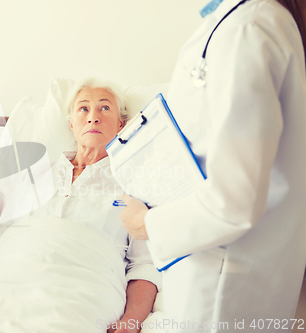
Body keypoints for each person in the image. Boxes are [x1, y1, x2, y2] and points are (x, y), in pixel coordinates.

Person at [120, 0, 306, 332]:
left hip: (223, 289)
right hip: (218, 272)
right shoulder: (238, 23)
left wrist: (147, 223)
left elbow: (233, 202)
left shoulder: (247, 28)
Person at [0, 78, 161, 333]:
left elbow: (143, 265)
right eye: (83, 108)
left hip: (81, 288)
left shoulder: (133, 184)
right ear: (71, 124)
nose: (93, 117)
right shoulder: (36, 174)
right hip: (3, 276)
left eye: (104, 108)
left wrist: (131, 322)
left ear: (120, 125)